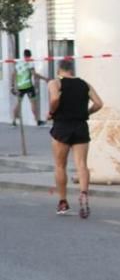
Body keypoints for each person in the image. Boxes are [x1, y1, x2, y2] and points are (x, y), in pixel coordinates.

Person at [47, 60, 103, 218]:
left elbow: (55, 99)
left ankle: (63, 202)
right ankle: (84, 193)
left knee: (60, 165)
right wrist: (86, 113)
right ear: (73, 70)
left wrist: (51, 113)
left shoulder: (55, 83)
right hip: (80, 126)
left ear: (59, 70)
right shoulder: (84, 84)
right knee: (81, 164)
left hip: (62, 126)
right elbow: (99, 103)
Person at [10, 49, 47, 126]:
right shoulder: (30, 62)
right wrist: (45, 79)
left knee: (18, 103)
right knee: (33, 104)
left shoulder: (19, 63)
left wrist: (12, 86)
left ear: (24, 55)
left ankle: (13, 121)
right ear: (30, 56)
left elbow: (13, 74)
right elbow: (35, 74)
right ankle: (37, 121)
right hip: (28, 86)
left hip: (20, 87)